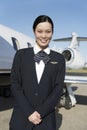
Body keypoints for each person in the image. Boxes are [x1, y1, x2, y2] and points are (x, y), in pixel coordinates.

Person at [9, 15, 65, 130]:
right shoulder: (20, 55)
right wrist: (29, 112)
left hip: (46, 120)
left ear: (52, 33)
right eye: (40, 31)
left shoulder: (59, 59)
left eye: (48, 32)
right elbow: (15, 85)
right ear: (34, 31)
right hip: (21, 118)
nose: (44, 36)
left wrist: (40, 112)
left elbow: (58, 89)